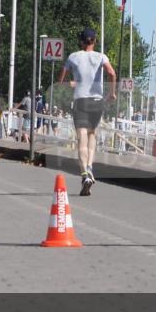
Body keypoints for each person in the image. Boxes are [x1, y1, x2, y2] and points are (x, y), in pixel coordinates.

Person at [58, 28, 116, 196]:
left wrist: (67, 85)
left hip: (80, 101)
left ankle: (84, 173)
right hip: (97, 101)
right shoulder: (101, 57)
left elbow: (60, 80)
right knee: (92, 135)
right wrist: (111, 93)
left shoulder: (73, 57)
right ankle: (90, 168)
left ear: (81, 41)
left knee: (81, 138)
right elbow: (111, 73)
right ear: (94, 41)